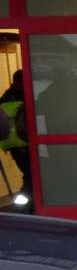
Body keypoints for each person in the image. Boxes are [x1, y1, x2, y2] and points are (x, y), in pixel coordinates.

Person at [0, 70, 31, 204]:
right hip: (29, 142)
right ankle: (25, 201)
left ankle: (25, 200)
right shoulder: (27, 96)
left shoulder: (4, 98)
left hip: (13, 145)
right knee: (32, 173)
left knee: (28, 172)